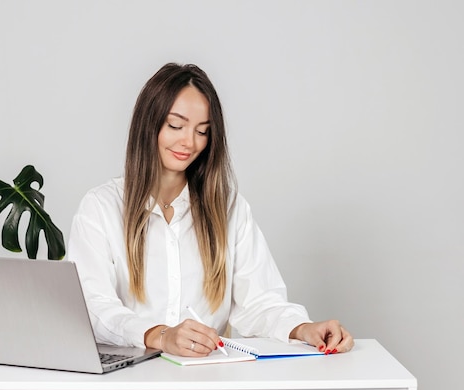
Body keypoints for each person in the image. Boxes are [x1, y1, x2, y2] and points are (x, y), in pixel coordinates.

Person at [67, 63, 354, 357]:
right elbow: (93, 306)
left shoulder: (230, 209)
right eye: (176, 126)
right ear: (148, 124)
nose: (189, 142)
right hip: (126, 382)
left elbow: (260, 301)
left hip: (207, 380)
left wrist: (302, 328)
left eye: (202, 131)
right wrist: (161, 336)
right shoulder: (101, 208)